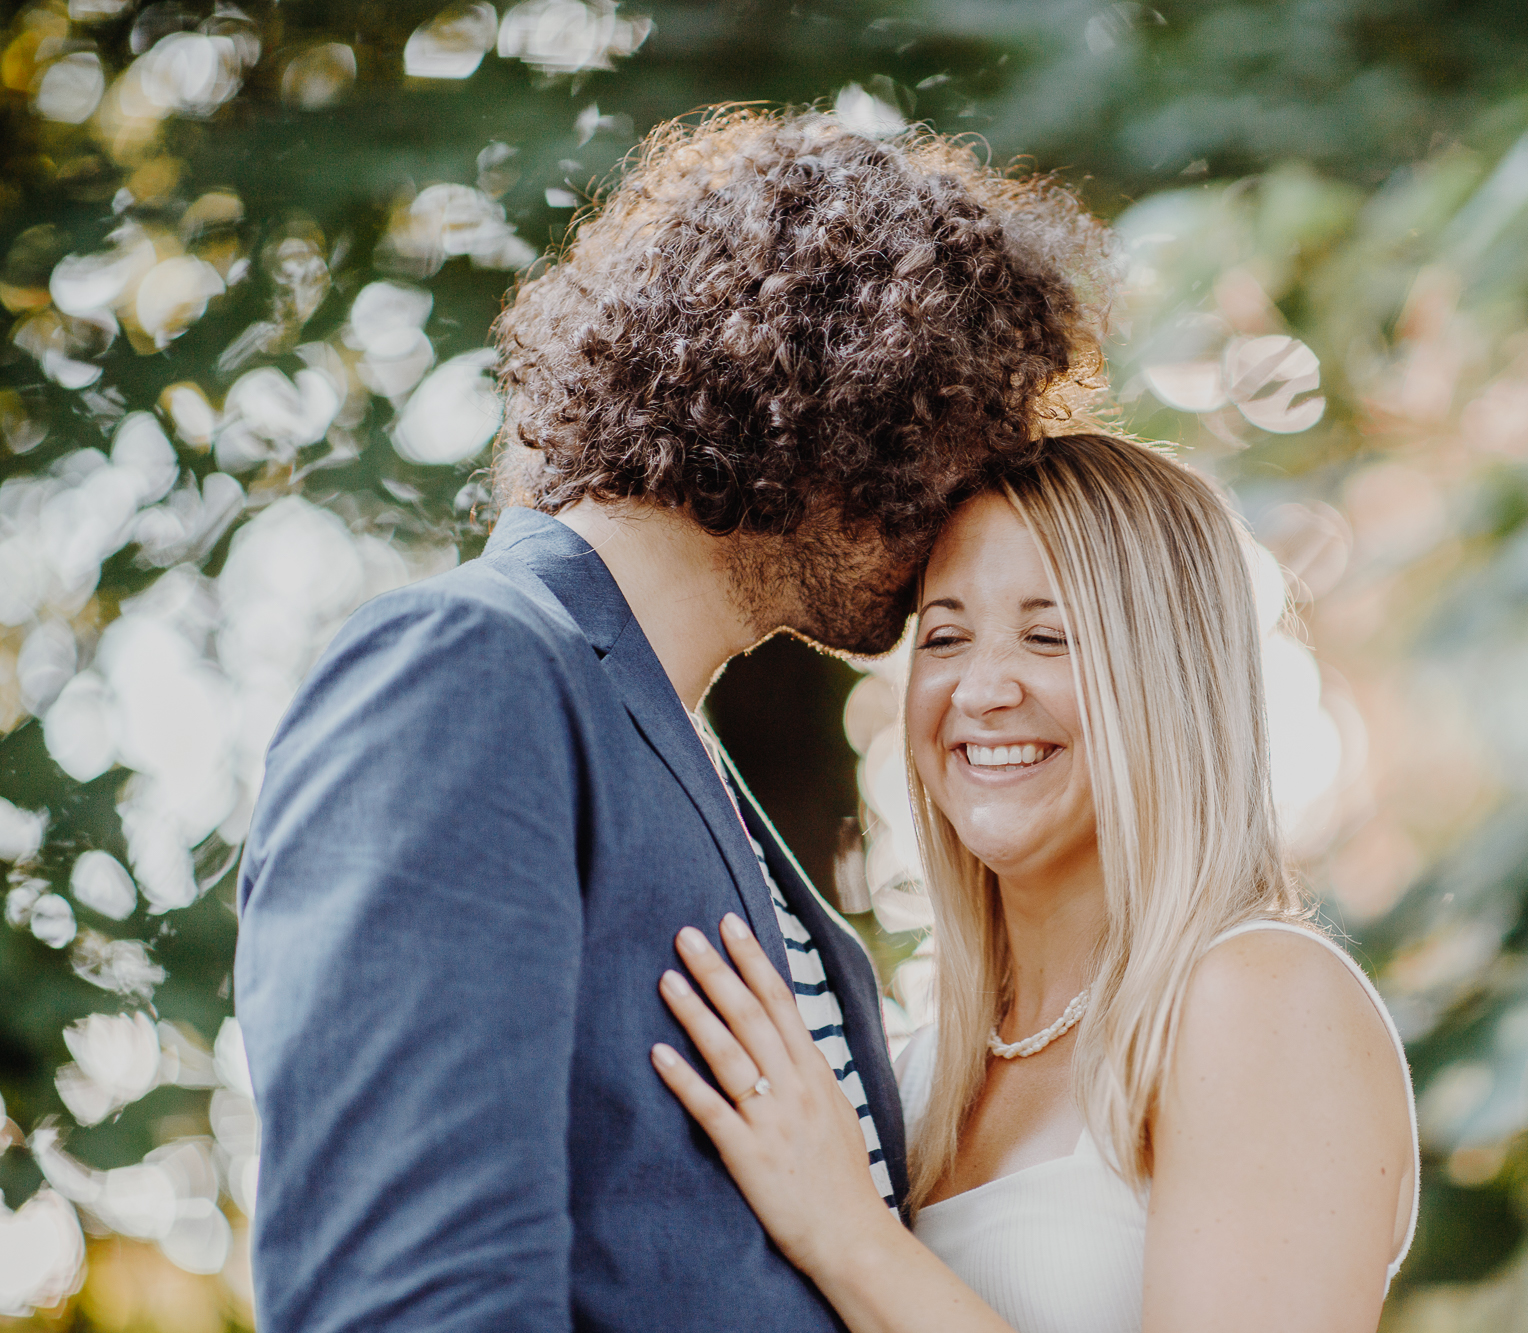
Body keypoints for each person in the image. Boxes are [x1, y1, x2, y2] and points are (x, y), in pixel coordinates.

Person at [233, 108, 1109, 1331]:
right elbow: (411, 1301)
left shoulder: (670, 739)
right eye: (964, 443)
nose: (962, 511)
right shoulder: (471, 669)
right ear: (851, 396)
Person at [652, 431, 1421, 1333]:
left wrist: (851, 1237)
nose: (979, 689)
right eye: (944, 636)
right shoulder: (916, 1075)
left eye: (1047, 635)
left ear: (1169, 677)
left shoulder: (1260, 997)